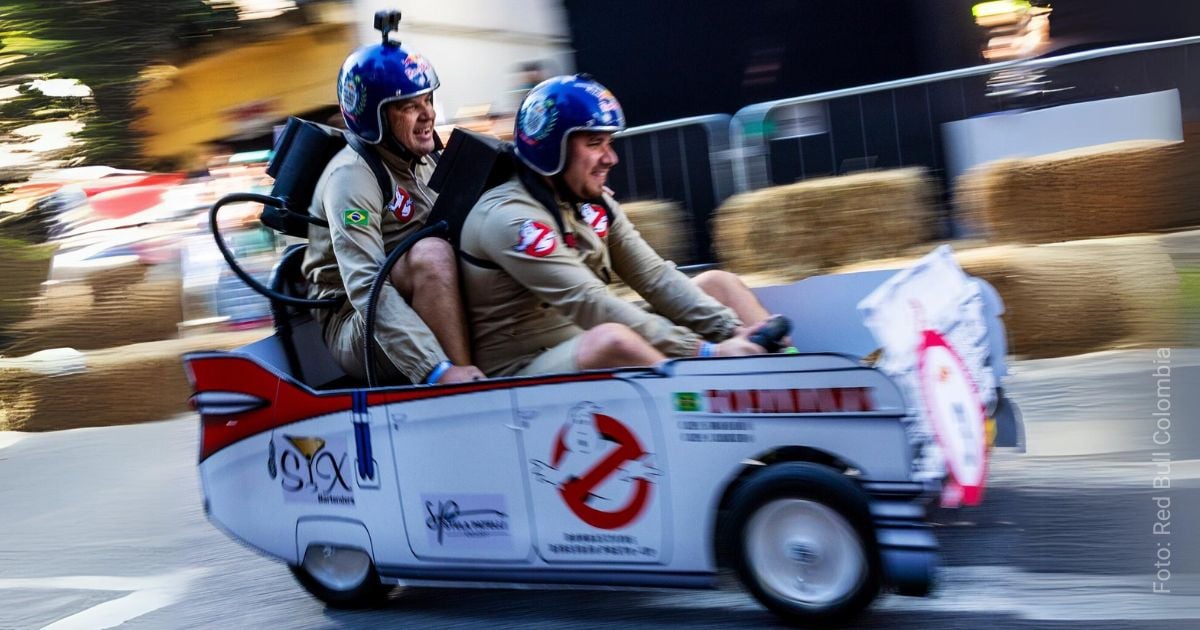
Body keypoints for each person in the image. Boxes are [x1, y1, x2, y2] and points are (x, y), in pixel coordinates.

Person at [458, 74, 781, 377]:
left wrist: (733, 332)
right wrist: (706, 352)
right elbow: (591, 303)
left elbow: (654, 277)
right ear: (551, 148)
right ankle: (709, 400)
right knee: (613, 339)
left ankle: (790, 373)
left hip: (582, 338)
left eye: (609, 143)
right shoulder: (511, 218)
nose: (611, 158)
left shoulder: (587, 198)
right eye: (595, 143)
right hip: (520, 372)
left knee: (719, 284)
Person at [301, 30, 484, 385]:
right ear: (375, 117)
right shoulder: (351, 179)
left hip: (414, 301)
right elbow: (366, 286)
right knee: (432, 255)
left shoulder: (425, 158)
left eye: (428, 100)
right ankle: (467, 391)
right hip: (357, 327)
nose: (427, 114)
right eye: (410, 106)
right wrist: (437, 370)